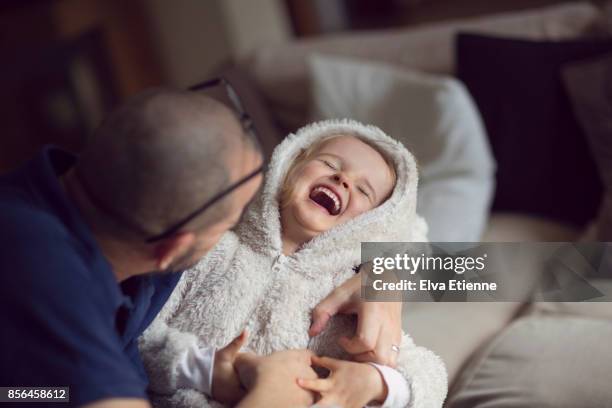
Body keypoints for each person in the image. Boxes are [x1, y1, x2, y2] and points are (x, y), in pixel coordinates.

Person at [0, 85, 404, 408]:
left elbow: (467, 269)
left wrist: (395, 272)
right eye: (235, 216)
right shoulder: (70, 320)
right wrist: (271, 396)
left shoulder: (55, 197)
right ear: (171, 252)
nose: (341, 181)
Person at [140, 119, 448, 408]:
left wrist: (376, 382)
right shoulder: (212, 246)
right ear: (288, 167)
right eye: (330, 163)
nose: (342, 179)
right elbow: (138, 331)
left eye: (363, 190)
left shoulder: (348, 294)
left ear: (373, 223)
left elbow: (430, 375)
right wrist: (203, 371)